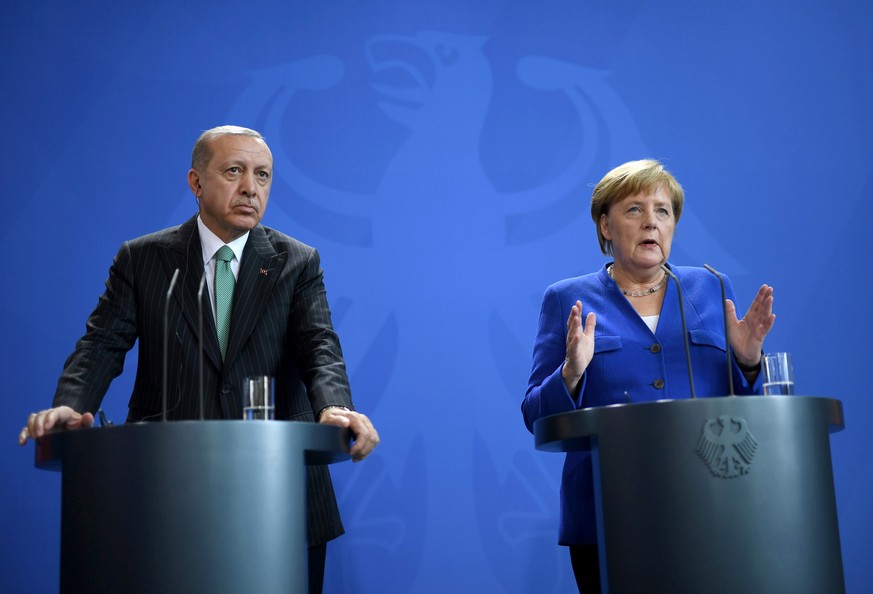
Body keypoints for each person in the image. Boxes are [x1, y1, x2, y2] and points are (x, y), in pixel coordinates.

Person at [18, 125, 379, 594]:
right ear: (196, 182)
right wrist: (71, 402)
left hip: (279, 493)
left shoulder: (296, 262)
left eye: (264, 176)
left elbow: (320, 347)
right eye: (235, 171)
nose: (251, 187)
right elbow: (101, 344)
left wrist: (334, 407)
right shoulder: (143, 259)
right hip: (166, 489)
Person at [521, 159, 774, 593]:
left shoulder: (712, 288)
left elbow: (743, 405)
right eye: (634, 210)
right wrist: (571, 372)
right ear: (605, 225)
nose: (651, 223)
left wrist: (748, 361)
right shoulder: (568, 300)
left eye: (663, 211)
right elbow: (534, 414)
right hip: (607, 514)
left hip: (709, 505)